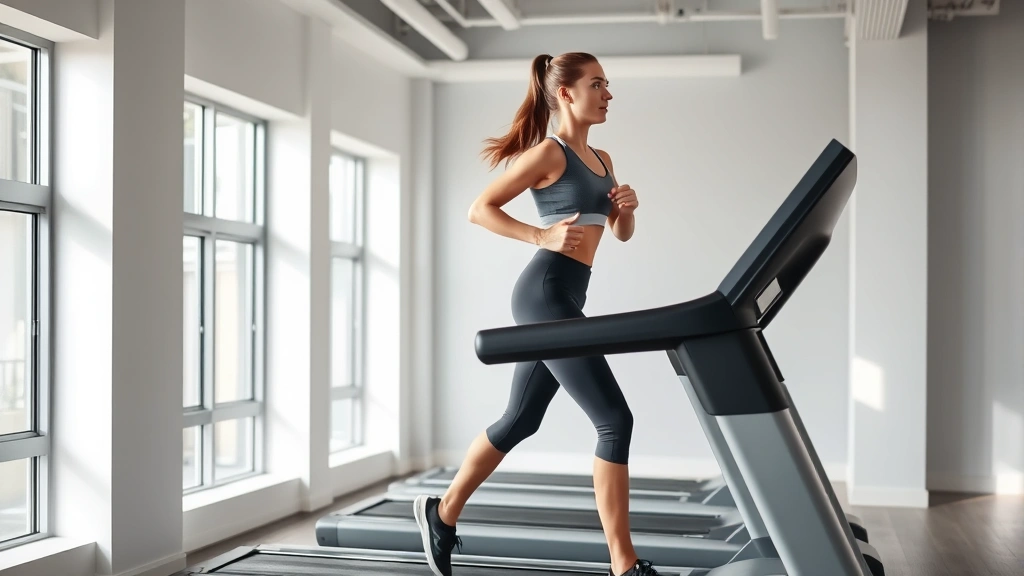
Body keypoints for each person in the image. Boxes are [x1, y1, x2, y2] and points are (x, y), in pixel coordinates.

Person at [414, 52, 654, 576]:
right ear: (566, 94)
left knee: (521, 418)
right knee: (615, 420)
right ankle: (624, 565)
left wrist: (626, 214)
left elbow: (616, 234)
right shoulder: (550, 152)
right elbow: (481, 208)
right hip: (544, 293)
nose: (608, 94)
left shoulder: (604, 159)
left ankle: (442, 512)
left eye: (608, 85)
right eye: (598, 85)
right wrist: (540, 234)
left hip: (568, 294)